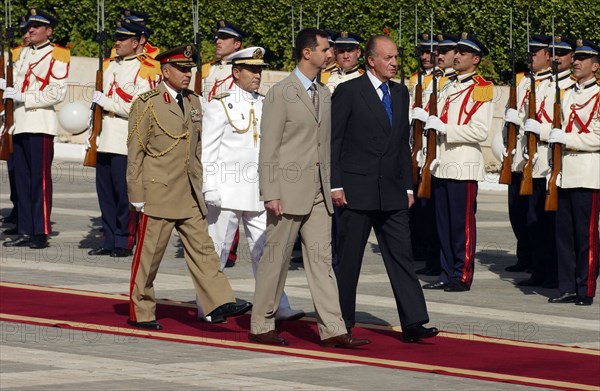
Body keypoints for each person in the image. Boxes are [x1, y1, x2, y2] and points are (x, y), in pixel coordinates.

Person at [249, 28, 369, 348]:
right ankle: (261, 324)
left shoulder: (325, 92)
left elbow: (324, 144)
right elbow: (269, 148)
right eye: (325, 49)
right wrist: (270, 191)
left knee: (321, 261)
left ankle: (333, 328)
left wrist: (331, 185)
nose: (331, 54)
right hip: (286, 192)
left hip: (319, 191)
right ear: (307, 53)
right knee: (276, 259)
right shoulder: (281, 92)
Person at [126, 44, 251, 330]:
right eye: (182, 69)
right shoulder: (147, 103)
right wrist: (136, 194)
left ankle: (220, 300)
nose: (187, 74)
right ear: (165, 70)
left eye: (190, 69)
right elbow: (136, 152)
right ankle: (141, 311)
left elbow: (198, 151)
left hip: (189, 192)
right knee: (149, 258)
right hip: (158, 192)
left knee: (204, 250)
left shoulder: (195, 102)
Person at [331, 34, 438, 343]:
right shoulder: (348, 91)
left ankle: (414, 320)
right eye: (388, 58)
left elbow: (401, 144)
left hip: (391, 190)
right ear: (371, 60)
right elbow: (334, 142)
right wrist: (336, 184)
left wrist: (407, 187)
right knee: (349, 260)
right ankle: (341, 322)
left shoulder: (400, 93)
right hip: (356, 190)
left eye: (395, 57)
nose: (394, 63)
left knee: (402, 256)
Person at [199, 46, 305, 322]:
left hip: (259, 191)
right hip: (226, 191)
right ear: (236, 72)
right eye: (252, 69)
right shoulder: (219, 104)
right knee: (217, 250)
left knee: (267, 253)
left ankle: (276, 305)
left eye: (260, 69)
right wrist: (210, 186)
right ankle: (208, 306)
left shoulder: (265, 103)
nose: (258, 75)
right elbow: (208, 151)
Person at [421, 32, 494, 292]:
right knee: (441, 224)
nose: (457, 55)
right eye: (457, 51)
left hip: (463, 165)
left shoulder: (483, 87)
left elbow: (480, 130)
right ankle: (444, 271)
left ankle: (461, 275)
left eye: (463, 53)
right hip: (441, 163)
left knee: (460, 226)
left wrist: (444, 128)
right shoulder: (448, 84)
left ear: (475, 59)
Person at [87, 19, 161, 258]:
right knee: (105, 193)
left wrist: (106, 102)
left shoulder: (147, 69)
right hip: (104, 137)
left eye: (123, 38)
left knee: (124, 194)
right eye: (116, 37)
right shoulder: (109, 64)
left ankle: (125, 240)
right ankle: (109, 239)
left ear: (139, 41)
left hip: (125, 138)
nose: (117, 42)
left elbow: (140, 107)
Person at [2, 9, 69, 249]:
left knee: (39, 181)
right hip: (19, 124)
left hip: (40, 123)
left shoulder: (57, 55)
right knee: (21, 180)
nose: (30, 30)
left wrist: (23, 96)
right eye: (29, 26)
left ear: (48, 31)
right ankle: (24, 229)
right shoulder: (21, 54)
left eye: (36, 27)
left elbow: (57, 92)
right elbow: (16, 82)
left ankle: (40, 231)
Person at [547, 39, 599, 306]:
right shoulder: (566, 93)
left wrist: (565, 138)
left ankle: (585, 288)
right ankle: (566, 286)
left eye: (583, 58)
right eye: (575, 58)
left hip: (587, 172)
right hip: (564, 171)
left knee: (585, 236)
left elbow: (598, 137)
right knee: (564, 235)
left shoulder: (599, 95)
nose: (576, 62)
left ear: (595, 65)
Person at [408, 33, 441, 276]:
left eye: (431, 52)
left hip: (436, 151)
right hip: (417, 149)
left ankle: (436, 258)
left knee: (435, 212)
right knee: (420, 211)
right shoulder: (415, 79)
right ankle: (423, 252)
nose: (426, 56)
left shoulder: (443, 80)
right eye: (423, 52)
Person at [2, 15, 30, 230]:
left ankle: (25, 215)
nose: (25, 36)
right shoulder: (16, 54)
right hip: (11, 120)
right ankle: (17, 208)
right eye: (23, 32)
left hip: (26, 118)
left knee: (24, 173)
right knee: (14, 170)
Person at [202, 20, 247, 102]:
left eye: (224, 38)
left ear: (237, 44)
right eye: (218, 37)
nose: (218, 41)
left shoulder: (244, 70)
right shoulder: (208, 69)